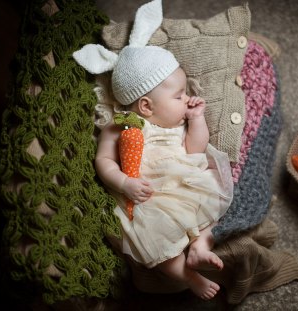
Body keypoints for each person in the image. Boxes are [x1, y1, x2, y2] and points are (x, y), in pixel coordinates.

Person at [73, 0, 233, 300]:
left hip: (184, 184)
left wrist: (197, 120)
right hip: (147, 200)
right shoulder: (120, 127)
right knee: (157, 248)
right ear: (146, 106)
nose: (187, 99)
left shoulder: (177, 125)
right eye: (179, 95)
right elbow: (103, 159)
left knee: (214, 186)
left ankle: (200, 246)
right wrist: (124, 183)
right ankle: (189, 276)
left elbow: (195, 151)